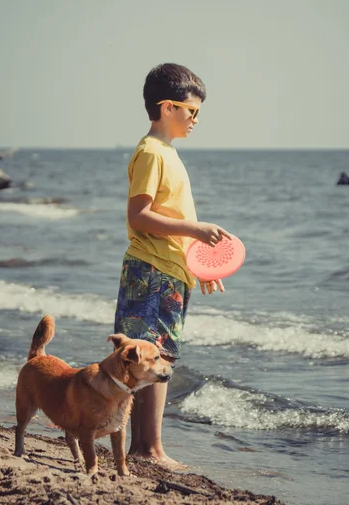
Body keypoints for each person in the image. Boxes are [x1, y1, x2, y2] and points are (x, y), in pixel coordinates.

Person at [114, 62, 231, 469]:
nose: (196, 119)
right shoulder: (151, 153)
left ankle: (145, 447)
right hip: (150, 271)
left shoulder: (168, 153)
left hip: (169, 270)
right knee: (150, 358)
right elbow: (139, 216)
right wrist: (196, 230)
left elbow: (168, 218)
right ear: (167, 107)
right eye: (191, 110)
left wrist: (198, 264)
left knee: (161, 357)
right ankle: (148, 449)